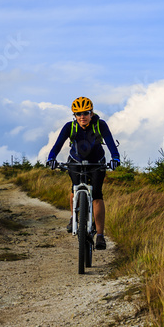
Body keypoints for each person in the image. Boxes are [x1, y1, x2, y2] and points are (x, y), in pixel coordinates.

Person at [46, 96, 120, 250]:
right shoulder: (69, 127)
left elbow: (111, 143)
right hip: (75, 161)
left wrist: (115, 158)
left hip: (96, 162)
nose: (82, 117)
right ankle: (74, 217)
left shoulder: (100, 125)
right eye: (78, 114)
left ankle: (100, 235)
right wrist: (51, 158)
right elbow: (57, 145)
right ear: (74, 115)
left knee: (97, 195)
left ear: (91, 113)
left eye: (85, 113)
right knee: (75, 187)